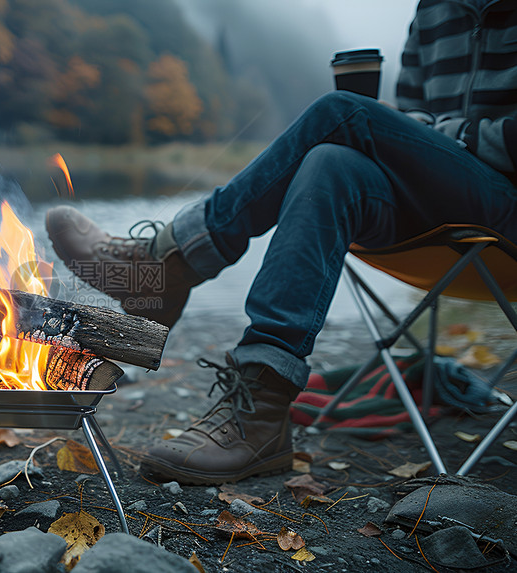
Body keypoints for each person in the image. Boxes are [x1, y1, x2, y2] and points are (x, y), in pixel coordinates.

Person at [44, 0, 517, 485]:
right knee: (329, 162)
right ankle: (261, 410)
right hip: (438, 204)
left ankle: (170, 263)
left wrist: (430, 134)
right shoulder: (435, 9)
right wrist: (406, 128)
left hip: (507, 204)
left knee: (341, 113)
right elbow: (415, 107)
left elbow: (434, 129)